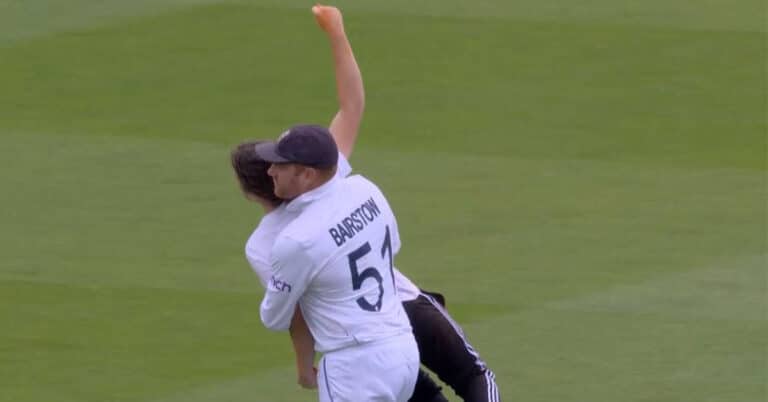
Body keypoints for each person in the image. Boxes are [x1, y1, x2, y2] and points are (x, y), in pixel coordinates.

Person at [231, 5, 500, 402]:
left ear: (253, 192)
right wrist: (336, 32)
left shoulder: (268, 244)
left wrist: (303, 366)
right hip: (400, 310)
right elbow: (352, 103)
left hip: (357, 347)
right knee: (475, 377)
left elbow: (294, 314)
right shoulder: (338, 178)